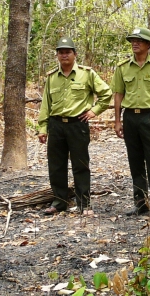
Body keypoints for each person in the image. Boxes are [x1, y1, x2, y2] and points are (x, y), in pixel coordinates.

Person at [37, 37, 112, 216]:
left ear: (74, 54)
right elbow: (46, 104)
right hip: (56, 125)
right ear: (57, 55)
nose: (64, 55)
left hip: (77, 124)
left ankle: (84, 204)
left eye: (67, 52)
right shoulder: (52, 77)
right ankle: (59, 202)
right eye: (61, 52)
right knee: (56, 166)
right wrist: (42, 128)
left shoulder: (87, 74)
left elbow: (106, 93)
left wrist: (94, 111)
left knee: (80, 165)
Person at [111, 27, 150, 221]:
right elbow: (118, 94)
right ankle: (141, 203)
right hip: (130, 118)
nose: (134, 43)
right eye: (132, 40)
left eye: (139, 40)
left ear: (148, 45)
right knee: (135, 162)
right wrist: (117, 120)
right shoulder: (122, 67)